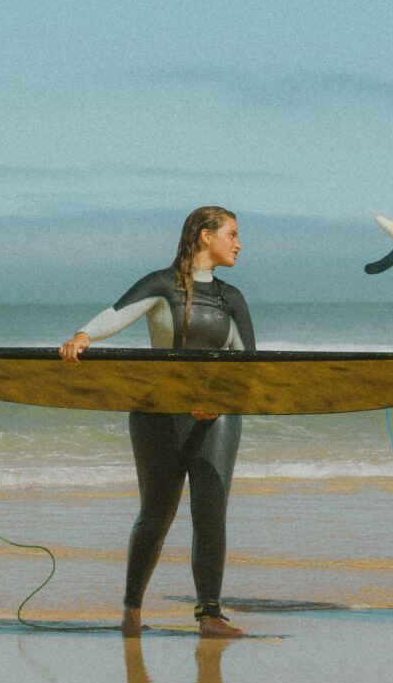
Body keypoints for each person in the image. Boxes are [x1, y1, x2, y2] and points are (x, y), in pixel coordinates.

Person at [60, 206, 255, 638]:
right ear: (205, 236)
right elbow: (117, 312)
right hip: (157, 414)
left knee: (211, 512)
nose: (239, 244)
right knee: (156, 514)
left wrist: (221, 400)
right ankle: (131, 611)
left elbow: (247, 364)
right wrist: (83, 337)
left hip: (215, 417)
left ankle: (209, 615)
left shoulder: (231, 298)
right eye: (232, 235)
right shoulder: (162, 285)